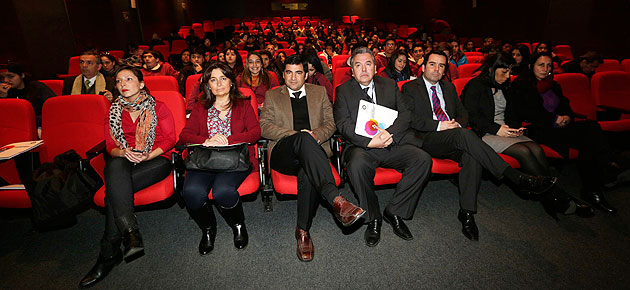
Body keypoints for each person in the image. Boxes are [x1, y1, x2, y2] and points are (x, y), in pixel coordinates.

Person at [401, 50, 558, 241]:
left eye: (442, 65)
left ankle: (467, 212)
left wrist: (456, 124)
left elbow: (464, 113)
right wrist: (441, 125)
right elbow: (411, 119)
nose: (437, 69)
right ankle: (513, 176)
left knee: (472, 154)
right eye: (432, 64)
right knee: (464, 135)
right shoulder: (410, 88)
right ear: (423, 67)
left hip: (455, 136)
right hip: (428, 138)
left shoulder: (449, 88)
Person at [461, 53, 593, 218]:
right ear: (492, 69)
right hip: (486, 132)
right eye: (505, 72)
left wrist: (516, 129)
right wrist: (497, 129)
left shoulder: (505, 86)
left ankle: (553, 196)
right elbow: (471, 116)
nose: (508, 76)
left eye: (510, 71)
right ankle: (559, 197)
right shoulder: (476, 85)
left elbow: (514, 112)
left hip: (506, 130)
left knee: (536, 149)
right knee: (523, 151)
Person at [260, 54, 365, 261]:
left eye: (298, 72)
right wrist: (299, 137)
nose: (293, 77)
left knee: (308, 174)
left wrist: (314, 136)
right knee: (303, 140)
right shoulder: (272, 95)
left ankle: (302, 231)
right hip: (284, 153)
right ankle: (336, 199)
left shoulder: (319, 92)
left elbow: (331, 123)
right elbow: (264, 126)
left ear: (306, 74)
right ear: (283, 74)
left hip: (313, 154)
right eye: (288, 72)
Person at [79, 66, 175, 288]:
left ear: (141, 84)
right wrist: (123, 152)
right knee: (114, 165)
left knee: (113, 193)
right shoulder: (113, 111)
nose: (123, 84)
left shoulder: (158, 107)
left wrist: (147, 154)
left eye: (129, 79)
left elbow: (170, 139)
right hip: (125, 161)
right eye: (119, 80)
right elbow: (111, 145)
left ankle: (109, 253)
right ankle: (130, 234)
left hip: (156, 159)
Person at [334, 47, 433, 247]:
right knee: (357, 164)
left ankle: (395, 211)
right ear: (351, 70)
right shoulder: (343, 91)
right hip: (361, 147)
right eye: (358, 65)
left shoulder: (389, 85)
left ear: (375, 67)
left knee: (422, 160)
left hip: (390, 142)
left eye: (368, 64)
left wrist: (389, 134)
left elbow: (405, 115)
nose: (363, 69)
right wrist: (370, 142)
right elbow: (343, 125)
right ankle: (373, 218)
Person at [511, 52, 617, 213]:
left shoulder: (553, 84)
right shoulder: (521, 84)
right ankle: (598, 179)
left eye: (548, 65)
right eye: (541, 65)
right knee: (589, 140)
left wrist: (567, 117)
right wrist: (554, 119)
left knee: (591, 129)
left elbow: (564, 104)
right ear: (531, 66)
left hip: (560, 125)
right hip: (539, 128)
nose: (545, 69)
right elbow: (528, 112)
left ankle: (594, 184)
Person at [178, 62, 260, 255]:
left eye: (223, 78)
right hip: (205, 159)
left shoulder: (243, 103)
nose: (219, 83)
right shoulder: (200, 107)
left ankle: (237, 224)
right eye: (213, 80)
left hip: (234, 159)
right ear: (208, 85)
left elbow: (256, 133)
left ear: (231, 82)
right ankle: (208, 228)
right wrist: (206, 140)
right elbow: (185, 135)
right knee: (191, 192)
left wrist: (227, 140)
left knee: (223, 191)